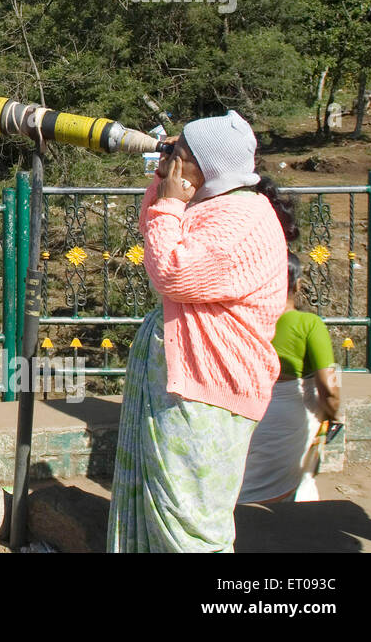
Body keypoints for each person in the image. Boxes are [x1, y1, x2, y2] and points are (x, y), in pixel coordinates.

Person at [108, 111, 295, 553]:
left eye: (182, 156)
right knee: (159, 513)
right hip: (184, 387)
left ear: (210, 170)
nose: (173, 161)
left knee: (189, 525)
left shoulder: (244, 218)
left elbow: (172, 273)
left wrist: (170, 203)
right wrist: (162, 185)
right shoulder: (218, 204)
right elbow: (156, 234)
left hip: (207, 393)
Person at [237, 254, 340, 504]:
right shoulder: (309, 324)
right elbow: (328, 386)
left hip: (247, 409)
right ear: (298, 283)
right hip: (294, 413)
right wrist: (333, 415)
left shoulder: (245, 320)